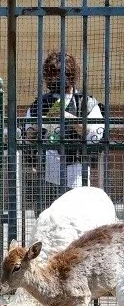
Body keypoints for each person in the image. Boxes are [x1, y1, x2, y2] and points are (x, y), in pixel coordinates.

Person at [23, 50, 104, 211]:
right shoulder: (40, 103)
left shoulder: (86, 102)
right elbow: (28, 137)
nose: (56, 79)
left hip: (77, 173)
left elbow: (95, 137)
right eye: (52, 75)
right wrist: (37, 128)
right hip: (48, 175)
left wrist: (67, 117)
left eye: (60, 74)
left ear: (71, 76)